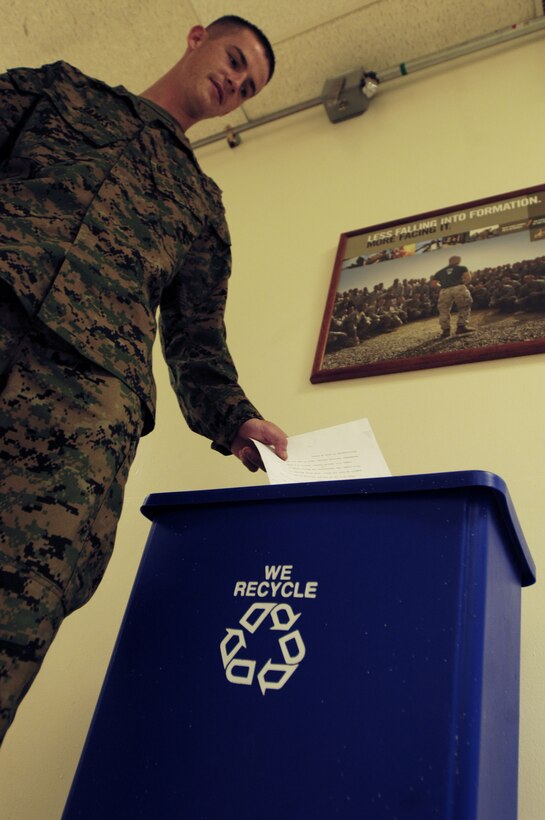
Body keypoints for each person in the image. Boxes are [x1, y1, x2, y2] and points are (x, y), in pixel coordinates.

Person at [0, 15, 288, 743]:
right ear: (196, 38)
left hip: (79, 411)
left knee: (13, 613)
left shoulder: (201, 206)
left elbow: (196, 339)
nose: (233, 82)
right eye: (232, 59)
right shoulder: (59, 93)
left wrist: (235, 419)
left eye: (247, 86)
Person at [430, 255, 474, 338]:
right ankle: (461, 327)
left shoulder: (440, 272)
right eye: (458, 259)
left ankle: (445, 331)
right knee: (464, 306)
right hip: (458, 287)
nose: (459, 261)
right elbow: (468, 278)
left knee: (444, 310)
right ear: (453, 260)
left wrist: (443, 287)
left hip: (444, 291)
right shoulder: (462, 268)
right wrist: (460, 285)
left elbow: (433, 284)